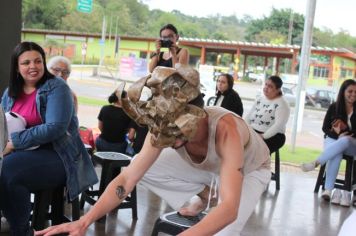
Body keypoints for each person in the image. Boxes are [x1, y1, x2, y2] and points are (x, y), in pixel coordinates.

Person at [35, 65, 271, 236]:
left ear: (195, 116)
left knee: (224, 230)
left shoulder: (225, 130)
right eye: (163, 133)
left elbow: (229, 209)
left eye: (176, 133)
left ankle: (211, 192)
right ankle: (204, 192)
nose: (169, 140)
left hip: (251, 169)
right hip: (207, 167)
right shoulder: (163, 124)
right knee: (142, 165)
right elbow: (127, 179)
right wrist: (85, 221)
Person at [0, 41, 98, 235]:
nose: (33, 66)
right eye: (26, 62)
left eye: (37, 61)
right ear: (17, 68)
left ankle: (21, 230)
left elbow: (55, 128)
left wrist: (13, 143)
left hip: (58, 155)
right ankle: (9, 217)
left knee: (9, 171)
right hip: (21, 152)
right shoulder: (10, 92)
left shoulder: (57, 87)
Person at [301, 79, 356, 207]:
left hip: (353, 144)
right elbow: (325, 128)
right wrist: (337, 135)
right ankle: (328, 190)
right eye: (350, 91)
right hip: (334, 141)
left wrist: (346, 133)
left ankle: (315, 163)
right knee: (336, 152)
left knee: (345, 140)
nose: (353, 94)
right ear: (343, 92)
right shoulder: (334, 107)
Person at [244, 75, 290, 154]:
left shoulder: (282, 104)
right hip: (253, 132)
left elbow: (278, 125)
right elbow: (248, 116)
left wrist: (263, 136)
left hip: (272, 136)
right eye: (266, 84)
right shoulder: (260, 99)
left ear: (278, 90)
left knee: (252, 152)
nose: (266, 87)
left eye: (270, 86)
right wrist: (245, 129)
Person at [95, 86, 135, 153]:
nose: (127, 100)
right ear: (120, 99)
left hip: (102, 143)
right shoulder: (128, 113)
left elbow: (100, 126)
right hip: (119, 146)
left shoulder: (105, 108)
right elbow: (130, 134)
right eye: (126, 98)